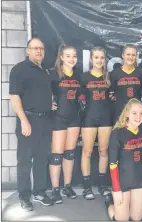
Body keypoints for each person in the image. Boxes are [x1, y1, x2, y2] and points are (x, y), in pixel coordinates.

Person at [9, 37, 54, 211]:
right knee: (25, 160)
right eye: (35, 48)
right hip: (28, 120)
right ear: (27, 50)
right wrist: (23, 120)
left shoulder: (45, 71)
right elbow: (14, 96)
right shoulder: (19, 70)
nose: (39, 51)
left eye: (41, 48)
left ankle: (40, 192)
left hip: (45, 120)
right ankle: (24, 196)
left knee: (42, 159)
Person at [49, 45, 82, 204]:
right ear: (61, 57)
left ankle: (67, 186)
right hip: (59, 118)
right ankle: (55, 189)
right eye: (68, 56)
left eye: (74, 56)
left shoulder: (78, 75)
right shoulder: (54, 74)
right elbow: (42, 91)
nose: (71, 59)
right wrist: (47, 103)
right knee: (57, 155)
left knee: (70, 153)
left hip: (74, 118)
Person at [106, 99, 142, 221]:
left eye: (141, 113)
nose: (138, 117)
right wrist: (117, 189)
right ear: (127, 113)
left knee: (136, 218)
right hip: (123, 181)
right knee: (122, 219)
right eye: (134, 113)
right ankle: (109, 203)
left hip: (139, 181)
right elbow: (113, 164)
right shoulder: (117, 133)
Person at [80, 47, 113, 200]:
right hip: (89, 118)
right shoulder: (84, 77)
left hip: (105, 118)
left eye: (102, 58)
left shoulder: (108, 77)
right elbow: (78, 99)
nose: (99, 60)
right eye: (97, 57)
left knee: (103, 151)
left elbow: (114, 96)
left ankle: (102, 184)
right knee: (86, 152)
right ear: (91, 59)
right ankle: (87, 187)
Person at [110, 45, 142, 122]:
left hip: (136, 112)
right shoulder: (114, 73)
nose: (131, 57)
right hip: (119, 111)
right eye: (128, 54)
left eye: (133, 55)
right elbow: (111, 92)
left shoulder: (141, 73)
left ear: (136, 56)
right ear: (123, 55)